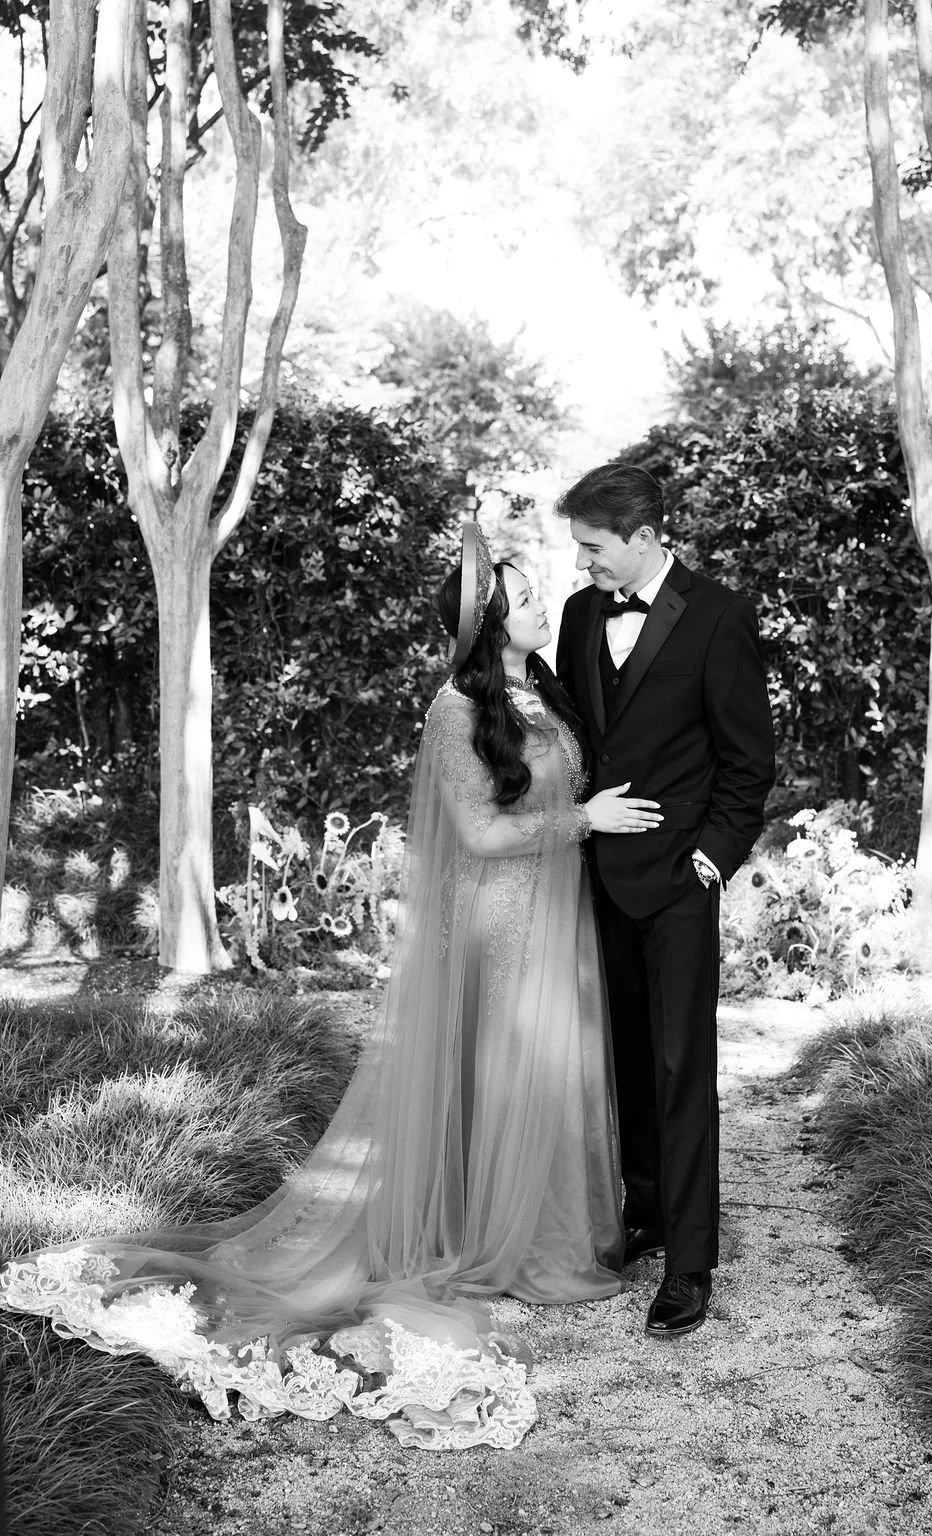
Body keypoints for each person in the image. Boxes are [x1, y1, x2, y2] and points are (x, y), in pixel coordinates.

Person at [0, 524, 662, 1451]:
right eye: (525, 593)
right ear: (488, 619)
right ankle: (482, 1241)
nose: (545, 602)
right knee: (497, 1074)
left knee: (546, 1076)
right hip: (495, 927)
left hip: (557, 922)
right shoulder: (454, 708)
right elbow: (473, 835)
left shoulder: (542, 691)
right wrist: (579, 816)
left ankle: (538, 1234)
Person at [555, 463, 775, 1340]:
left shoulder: (719, 617)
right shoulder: (577, 617)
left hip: (680, 884)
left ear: (643, 537)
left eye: (593, 547)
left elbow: (747, 764)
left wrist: (711, 862)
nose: (583, 566)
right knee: (627, 1063)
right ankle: (642, 1214)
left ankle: (690, 1262)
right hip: (593, 878)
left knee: (683, 1071)